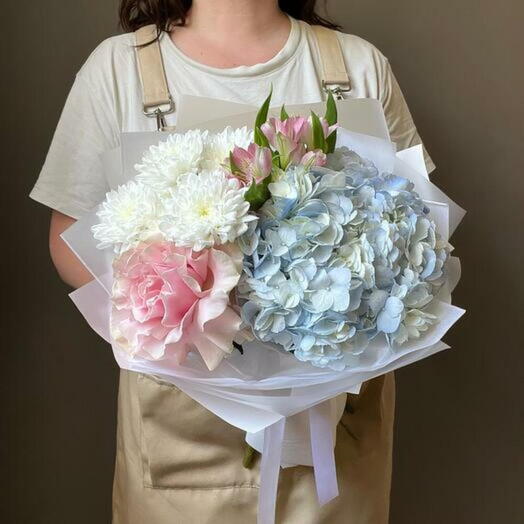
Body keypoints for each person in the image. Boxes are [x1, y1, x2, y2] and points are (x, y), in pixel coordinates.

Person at [30, 1, 436, 522]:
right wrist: (178, 311)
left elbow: (416, 228)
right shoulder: (119, 68)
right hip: (181, 430)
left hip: (332, 433)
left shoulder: (358, 66)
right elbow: (69, 240)